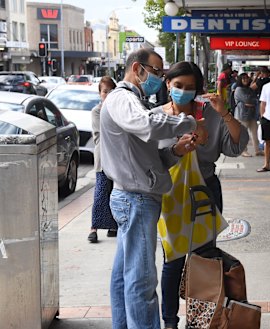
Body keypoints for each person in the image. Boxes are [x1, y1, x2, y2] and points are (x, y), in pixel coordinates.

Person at [100, 48, 199, 329]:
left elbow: (144, 156)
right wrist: (188, 121)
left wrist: (176, 152)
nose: (159, 78)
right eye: (156, 72)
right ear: (137, 68)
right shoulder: (122, 98)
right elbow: (145, 125)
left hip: (137, 197)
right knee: (141, 281)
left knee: (125, 276)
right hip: (135, 199)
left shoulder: (133, 100)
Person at [156, 61, 247, 329]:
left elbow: (236, 147)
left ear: (198, 89)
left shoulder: (211, 114)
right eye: (178, 86)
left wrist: (225, 113)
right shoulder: (156, 116)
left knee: (204, 261)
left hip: (205, 192)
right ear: (168, 85)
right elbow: (148, 159)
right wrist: (177, 150)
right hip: (171, 196)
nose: (183, 91)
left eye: (190, 87)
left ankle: (200, 321)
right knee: (172, 261)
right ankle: (170, 321)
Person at [88, 76, 117, 243]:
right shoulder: (97, 111)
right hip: (102, 158)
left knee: (114, 192)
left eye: (111, 91)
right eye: (105, 91)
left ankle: (113, 226)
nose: (107, 94)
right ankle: (94, 228)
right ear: (100, 94)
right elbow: (103, 133)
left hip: (116, 158)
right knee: (100, 192)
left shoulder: (117, 109)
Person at [234, 73, 260, 157]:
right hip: (242, 115)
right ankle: (243, 151)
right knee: (243, 134)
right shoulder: (238, 89)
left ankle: (257, 150)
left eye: (246, 78)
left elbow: (255, 99)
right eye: (243, 78)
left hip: (252, 114)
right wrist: (250, 102)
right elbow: (248, 99)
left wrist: (251, 103)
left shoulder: (249, 89)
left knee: (255, 132)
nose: (245, 80)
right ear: (240, 80)